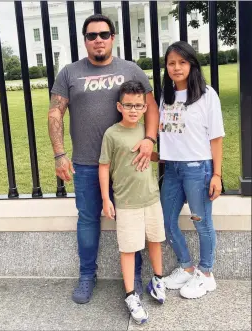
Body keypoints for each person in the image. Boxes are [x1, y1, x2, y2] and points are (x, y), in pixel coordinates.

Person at [47, 14, 159, 304]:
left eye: (104, 34)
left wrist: (149, 139)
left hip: (127, 163)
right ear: (85, 40)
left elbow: (152, 107)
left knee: (132, 218)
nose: (98, 39)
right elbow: (55, 113)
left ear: (113, 37)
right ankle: (87, 275)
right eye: (92, 35)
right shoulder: (69, 73)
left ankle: (134, 277)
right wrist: (60, 154)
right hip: (86, 164)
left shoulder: (131, 69)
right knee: (87, 219)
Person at [158, 41, 225, 299]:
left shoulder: (207, 95)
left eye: (182, 62)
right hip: (172, 170)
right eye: (171, 63)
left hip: (198, 169)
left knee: (201, 222)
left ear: (192, 64)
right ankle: (186, 266)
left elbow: (216, 138)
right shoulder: (166, 95)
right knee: (168, 221)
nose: (176, 67)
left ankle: (206, 273)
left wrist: (216, 175)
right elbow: (169, 134)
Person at [99, 80, 166, 324]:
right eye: (129, 105)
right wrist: (107, 198)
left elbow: (154, 156)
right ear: (119, 106)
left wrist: (159, 155)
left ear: (145, 107)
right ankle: (130, 295)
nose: (134, 110)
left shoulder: (146, 133)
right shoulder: (112, 134)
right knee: (128, 249)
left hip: (151, 199)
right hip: (126, 204)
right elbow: (104, 167)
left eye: (139, 105)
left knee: (155, 240)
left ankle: (157, 280)